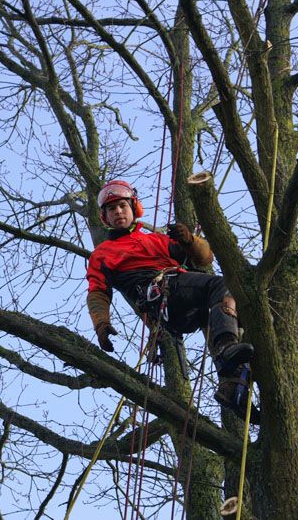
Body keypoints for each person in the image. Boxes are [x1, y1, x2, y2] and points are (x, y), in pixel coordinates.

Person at [85, 179, 258, 421]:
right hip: (161, 295)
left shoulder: (156, 239)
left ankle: (231, 386)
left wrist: (189, 240)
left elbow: (204, 258)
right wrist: (101, 324)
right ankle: (226, 348)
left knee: (234, 316)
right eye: (112, 209)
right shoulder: (102, 254)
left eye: (122, 206)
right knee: (221, 285)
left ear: (133, 207)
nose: (118, 212)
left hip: (184, 302)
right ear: (106, 217)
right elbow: (98, 292)